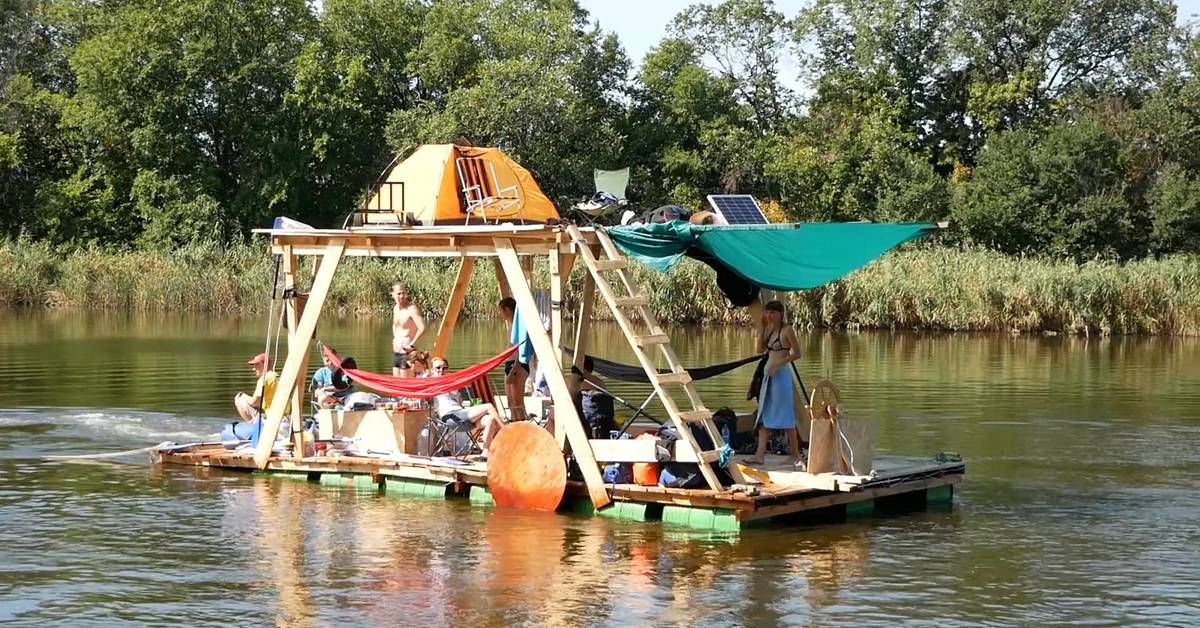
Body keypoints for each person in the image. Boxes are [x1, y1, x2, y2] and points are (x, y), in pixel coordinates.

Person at [746, 300, 802, 465]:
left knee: (786, 417)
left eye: (773, 312)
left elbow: (797, 354)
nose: (769, 315)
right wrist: (762, 329)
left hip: (781, 378)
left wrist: (778, 364)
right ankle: (760, 456)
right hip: (768, 379)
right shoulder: (770, 330)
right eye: (767, 312)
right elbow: (759, 350)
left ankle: (794, 454)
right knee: (764, 415)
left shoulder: (787, 330)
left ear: (781, 314)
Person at [430, 357, 505, 453]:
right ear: (432, 370)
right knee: (488, 406)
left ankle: (485, 453)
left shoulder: (452, 383)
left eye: (444, 368)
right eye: (438, 368)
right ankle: (506, 432)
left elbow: (461, 399)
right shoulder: (431, 384)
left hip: (462, 417)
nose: (441, 370)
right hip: (450, 417)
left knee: (490, 419)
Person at [498, 297, 532, 422]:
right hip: (509, 365)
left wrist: (514, 370)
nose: (501, 314)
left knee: (518, 404)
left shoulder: (520, 327)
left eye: (501, 311)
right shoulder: (511, 326)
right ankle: (514, 427)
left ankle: (521, 426)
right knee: (511, 403)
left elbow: (521, 350)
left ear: (507, 310)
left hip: (518, 366)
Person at [569, 356, 616, 439]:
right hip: (602, 419)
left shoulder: (572, 381)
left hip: (581, 417)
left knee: (552, 413)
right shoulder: (600, 382)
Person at [234, 352, 287, 421]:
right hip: (285, 416)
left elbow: (254, 402)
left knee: (239, 399)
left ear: (264, 365)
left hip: (273, 418)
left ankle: (253, 425)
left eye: (256, 365)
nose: (254, 369)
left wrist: (242, 395)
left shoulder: (264, 379)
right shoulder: (277, 377)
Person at [391, 281, 426, 377]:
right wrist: (395, 338)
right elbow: (395, 325)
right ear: (393, 295)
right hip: (397, 352)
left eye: (403, 293)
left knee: (405, 383)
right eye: (399, 294)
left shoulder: (412, 309)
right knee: (396, 383)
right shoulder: (395, 308)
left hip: (407, 353)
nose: (401, 296)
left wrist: (412, 343)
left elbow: (422, 328)